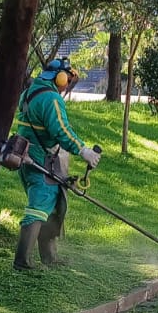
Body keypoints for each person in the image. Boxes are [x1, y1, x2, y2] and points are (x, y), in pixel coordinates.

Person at [13, 57, 100, 271]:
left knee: (51, 208)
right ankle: (22, 262)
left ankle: (50, 257)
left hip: (27, 156)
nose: (68, 84)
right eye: (68, 79)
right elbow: (61, 130)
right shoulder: (51, 99)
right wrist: (83, 150)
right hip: (41, 159)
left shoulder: (30, 92)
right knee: (39, 207)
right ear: (60, 77)